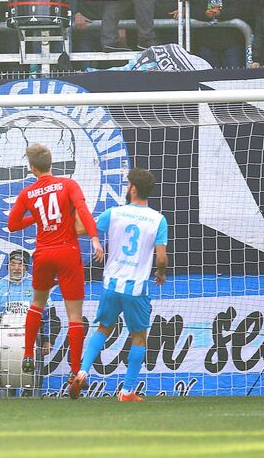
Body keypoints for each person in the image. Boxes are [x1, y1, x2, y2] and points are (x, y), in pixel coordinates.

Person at [6, 143, 103, 399]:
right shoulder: (68, 185)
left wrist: (36, 218)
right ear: (51, 163)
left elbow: (12, 224)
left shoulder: (28, 192)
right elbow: (82, 210)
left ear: (32, 167)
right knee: (74, 315)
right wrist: (94, 238)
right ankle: (74, 372)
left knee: (37, 303)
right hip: (68, 251)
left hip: (44, 253)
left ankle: (28, 354)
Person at [71, 168, 168, 403]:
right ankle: (127, 391)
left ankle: (82, 372)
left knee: (103, 328)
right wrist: (161, 273)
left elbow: (78, 229)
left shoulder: (114, 213)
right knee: (138, 337)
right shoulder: (158, 219)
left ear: (133, 189)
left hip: (112, 284)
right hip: (136, 288)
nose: (126, 188)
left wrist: (75, 209)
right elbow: (162, 258)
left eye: (127, 185)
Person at [0, 250, 50, 397]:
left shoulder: (36, 285)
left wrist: (47, 340)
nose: (16, 268)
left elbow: (48, 315)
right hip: (5, 348)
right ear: (8, 266)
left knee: (32, 386)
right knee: (6, 387)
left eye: (20, 264)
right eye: (13, 264)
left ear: (26, 267)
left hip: (33, 345)